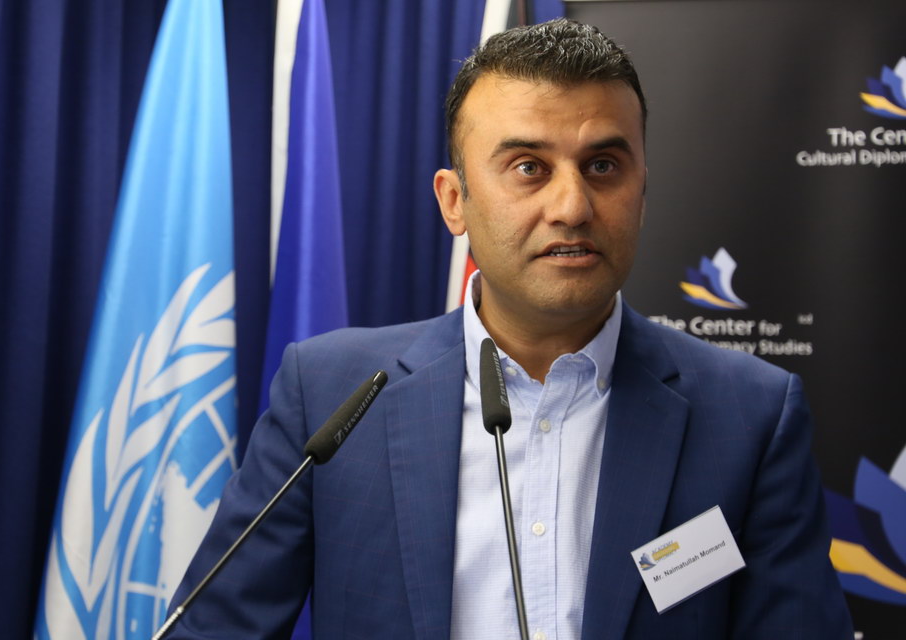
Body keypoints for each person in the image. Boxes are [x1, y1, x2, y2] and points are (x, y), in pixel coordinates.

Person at [166, 19, 853, 639]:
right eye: (529, 168)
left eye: (603, 166)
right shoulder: (330, 396)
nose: (572, 206)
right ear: (455, 201)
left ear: (642, 193)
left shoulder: (751, 416)